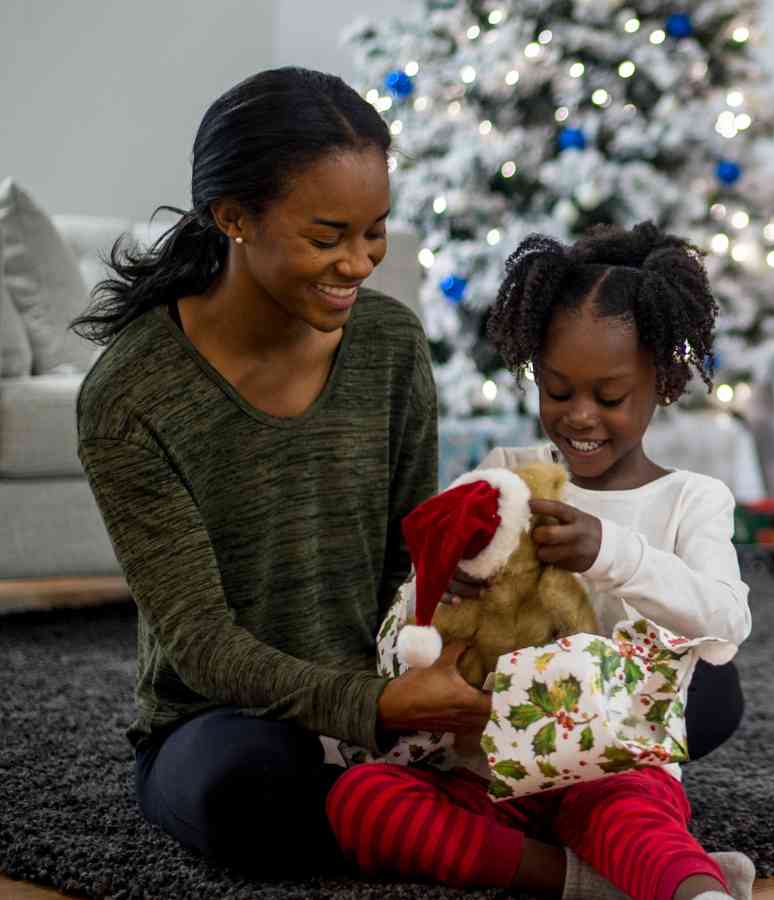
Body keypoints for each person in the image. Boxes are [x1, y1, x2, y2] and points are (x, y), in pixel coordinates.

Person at [73, 67, 488, 873]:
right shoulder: (131, 394)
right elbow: (199, 642)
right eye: (328, 237)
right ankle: (450, 806)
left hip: (391, 692)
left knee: (697, 696)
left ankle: (406, 804)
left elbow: (415, 554)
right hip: (232, 718)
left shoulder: (391, 346)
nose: (361, 262)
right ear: (233, 217)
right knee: (246, 789)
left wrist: (454, 655)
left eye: (376, 231)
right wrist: (373, 708)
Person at [324, 222, 755, 900]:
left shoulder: (689, 499)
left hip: (615, 767)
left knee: (630, 817)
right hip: (485, 769)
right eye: (557, 392)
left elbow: (727, 629)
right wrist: (448, 584)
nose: (581, 416)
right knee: (362, 800)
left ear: (663, 381)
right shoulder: (506, 474)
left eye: (610, 397)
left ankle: (690, 889)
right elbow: (412, 613)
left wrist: (610, 551)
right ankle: (590, 882)